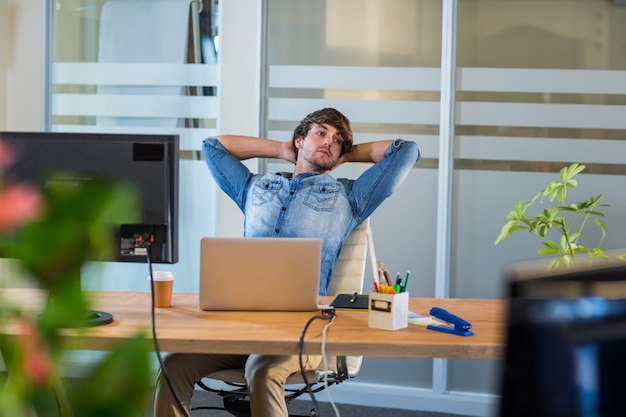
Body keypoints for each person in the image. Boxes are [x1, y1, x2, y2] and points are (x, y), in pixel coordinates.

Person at [153, 108, 420, 417]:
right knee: (174, 363)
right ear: (298, 140)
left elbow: (406, 151)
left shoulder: (349, 197)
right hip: (244, 324)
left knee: (262, 368)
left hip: (301, 332)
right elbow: (213, 147)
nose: (329, 142)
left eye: (338, 140)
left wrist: (342, 155)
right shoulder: (254, 187)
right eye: (321, 133)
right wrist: (282, 149)